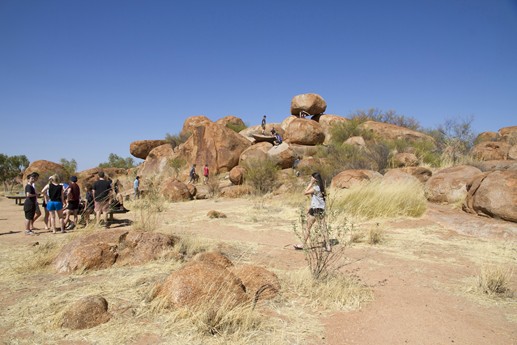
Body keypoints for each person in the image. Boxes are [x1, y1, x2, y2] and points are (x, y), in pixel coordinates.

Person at [294, 172, 330, 251]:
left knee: (307, 228)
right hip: (321, 210)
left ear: (315, 179)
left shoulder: (315, 188)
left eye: (312, 177)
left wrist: (311, 183)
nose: (311, 178)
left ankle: (302, 245)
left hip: (314, 210)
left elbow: (305, 192)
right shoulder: (322, 188)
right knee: (324, 228)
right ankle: (328, 246)